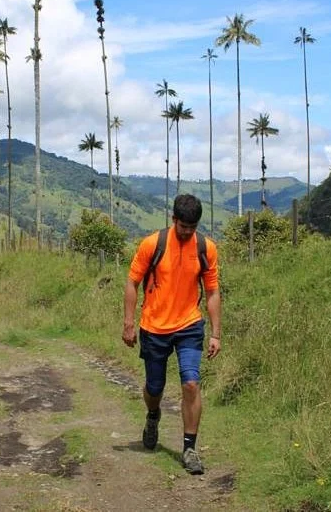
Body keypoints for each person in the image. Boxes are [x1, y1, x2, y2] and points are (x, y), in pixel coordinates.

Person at [122, 194, 221, 475]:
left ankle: (190, 448)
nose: (188, 232)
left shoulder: (206, 248)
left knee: (191, 383)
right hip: (154, 327)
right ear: (173, 219)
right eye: (183, 227)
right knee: (155, 388)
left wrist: (216, 333)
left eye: (193, 227)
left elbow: (212, 292)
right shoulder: (152, 244)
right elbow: (132, 282)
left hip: (189, 325)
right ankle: (153, 415)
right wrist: (129, 323)